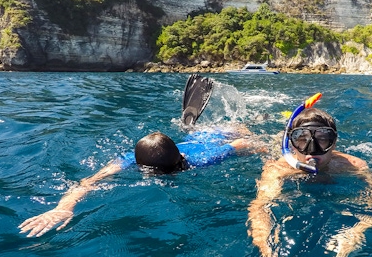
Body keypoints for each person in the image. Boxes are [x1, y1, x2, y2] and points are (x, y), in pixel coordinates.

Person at [19, 74, 255, 238]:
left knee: (234, 128)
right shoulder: (202, 160)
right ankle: (191, 129)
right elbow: (244, 143)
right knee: (235, 130)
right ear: (180, 155)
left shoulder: (130, 160)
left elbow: (90, 182)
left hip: (211, 138)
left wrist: (65, 206)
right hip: (203, 142)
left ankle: (192, 128)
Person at [247, 93, 372, 257]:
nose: (312, 150)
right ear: (291, 144)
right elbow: (260, 208)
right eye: (302, 140)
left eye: (323, 140)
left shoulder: (353, 167)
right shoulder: (279, 169)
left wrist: (356, 233)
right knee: (253, 145)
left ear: (335, 142)